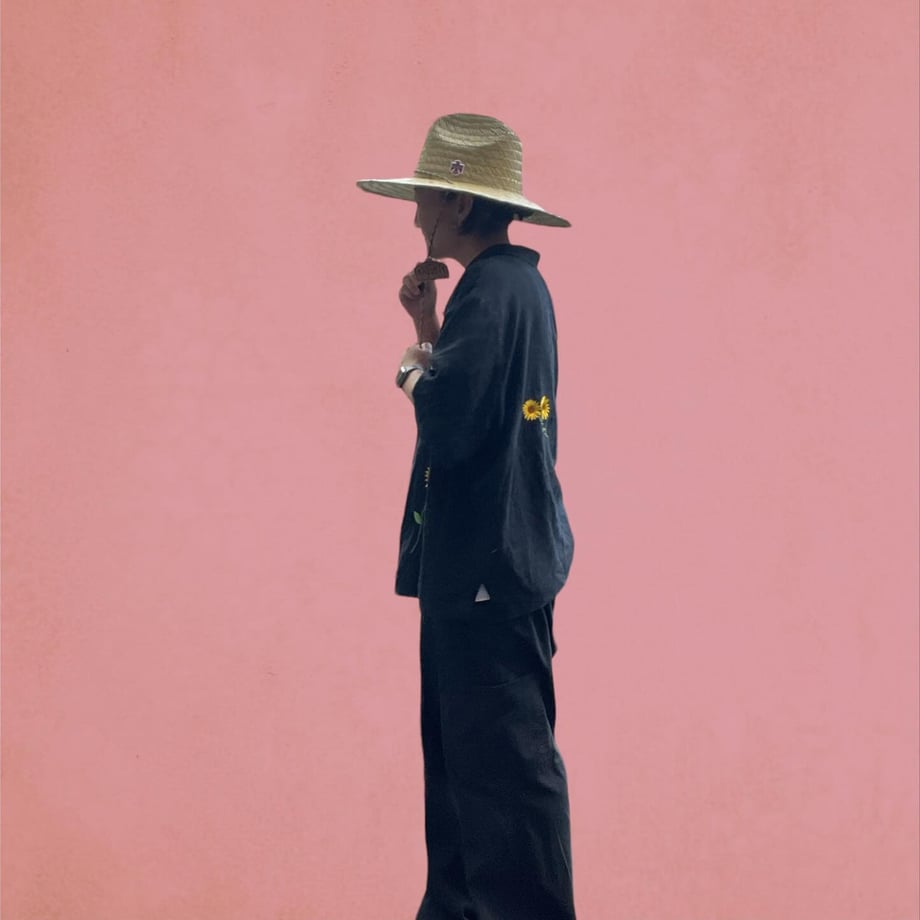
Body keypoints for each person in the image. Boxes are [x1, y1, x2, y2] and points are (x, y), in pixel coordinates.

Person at [357, 113, 576, 920]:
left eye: (426, 196)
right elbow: (483, 406)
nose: (416, 212)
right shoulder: (518, 288)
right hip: (502, 565)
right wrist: (428, 329)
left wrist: (411, 365)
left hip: (484, 573)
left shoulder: (492, 290)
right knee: (476, 771)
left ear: (457, 202)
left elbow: (450, 422)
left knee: (497, 782)